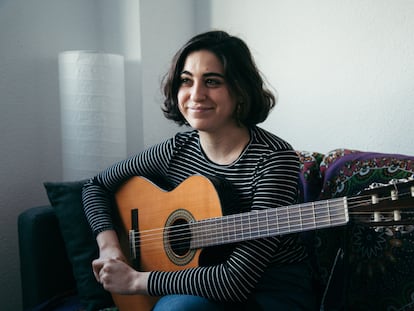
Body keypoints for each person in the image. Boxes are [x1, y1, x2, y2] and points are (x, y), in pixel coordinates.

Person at [82, 30, 317, 311]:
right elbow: (95, 186)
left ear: (239, 89)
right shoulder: (176, 150)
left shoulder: (274, 159)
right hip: (194, 283)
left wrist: (136, 281)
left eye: (212, 81)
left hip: (270, 290)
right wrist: (109, 246)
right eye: (186, 81)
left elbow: (236, 280)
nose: (196, 95)